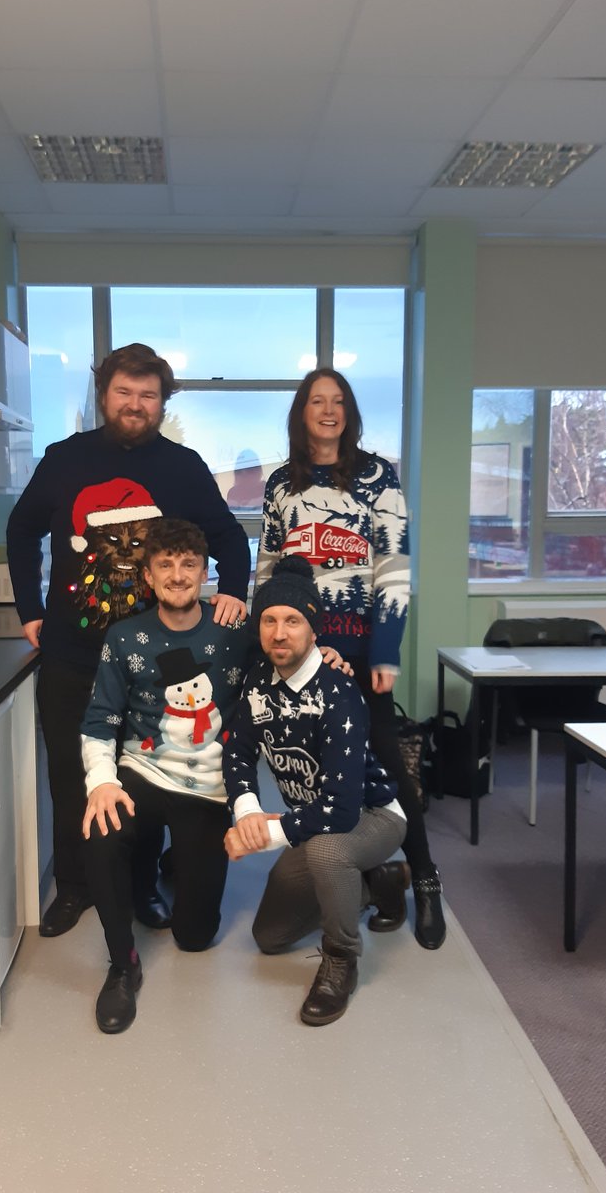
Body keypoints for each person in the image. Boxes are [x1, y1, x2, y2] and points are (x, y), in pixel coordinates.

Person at [7, 343, 250, 938]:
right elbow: (21, 529)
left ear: (161, 402)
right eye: (124, 392)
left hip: (156, 658)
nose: (135, 404)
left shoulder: (184, 466)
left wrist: (233, 594)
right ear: (104, 395)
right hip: (72, 651)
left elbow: (230, 539)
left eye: (148, 395)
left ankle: (142, 888)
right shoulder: (64, 459)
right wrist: (29, 609)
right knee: (71, 774)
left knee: (147, 774)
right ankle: (75, 888)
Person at [256, 367, 446, 949]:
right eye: (318, 400)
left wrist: (386, 647)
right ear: (302, 411)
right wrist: (264, 645)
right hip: (301, 653)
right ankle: (367, 874)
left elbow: (393, 568)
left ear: (350, 412)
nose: (329, 410)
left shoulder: (376, 475)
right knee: (319, 770)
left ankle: (427, 879)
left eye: (339, 401)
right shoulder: (280, 485)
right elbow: (267, 573)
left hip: (363, 650)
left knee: (384, 763)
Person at [223, 555, 409, 1026]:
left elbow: (343, 811)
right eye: (268, 620)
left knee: (328, 851)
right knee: (269, 936)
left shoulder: (338, 692)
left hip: (372, 817)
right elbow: (238, 752)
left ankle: (341, 958)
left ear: (313, 630)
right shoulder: (257, 684)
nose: (279, 633)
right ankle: (376, 883)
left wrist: (264, 836)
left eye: (292, 621)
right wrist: (246, 813)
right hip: (312, 822)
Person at [80, 518, 250, 1033]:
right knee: (102, 827)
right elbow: (99, 720)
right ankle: (121, 963)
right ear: (149, 577)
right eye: (166, 565)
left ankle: (175, 863)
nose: (178, 575)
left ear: (205, 572)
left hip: (209, 787)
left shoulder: (235, 630)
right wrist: (101, 783)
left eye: (189, 564)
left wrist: (328, 654)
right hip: (144, 771)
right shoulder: (124, 636)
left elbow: (290, 649)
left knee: (196, 937)